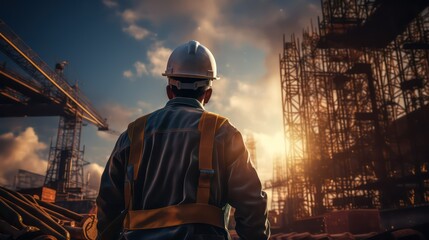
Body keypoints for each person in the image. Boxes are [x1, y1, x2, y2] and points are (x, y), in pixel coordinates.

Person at [96, 40, 270, 240]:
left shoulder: (133, 134)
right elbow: (252, 205)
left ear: (169, 90)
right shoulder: (224, 134)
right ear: (209, 93)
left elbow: (107, 206)